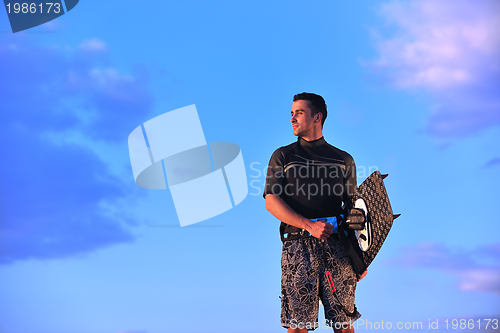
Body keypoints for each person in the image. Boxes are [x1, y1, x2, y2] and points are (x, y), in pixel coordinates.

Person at [264, 93, 366, 333]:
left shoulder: (343, 160)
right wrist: (309, 225)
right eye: (292, 113)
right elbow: (271, 201)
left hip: (337, 248)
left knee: (344, 325)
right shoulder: (283, 156)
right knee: (299, 327)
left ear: (317, 117)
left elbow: (354, 212)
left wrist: (361, 257)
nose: (292, 119)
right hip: (298, 247)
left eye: (298, 113)